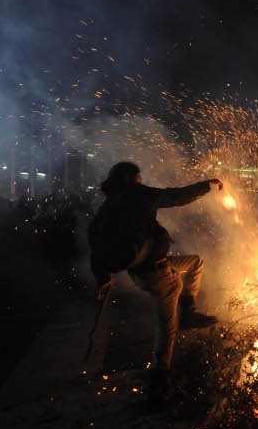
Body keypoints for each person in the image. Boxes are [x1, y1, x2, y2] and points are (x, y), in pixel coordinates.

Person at [88, 161, 223, 403]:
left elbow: (96, 243)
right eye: (139, 177)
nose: (141, 180)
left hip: (143, 270)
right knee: (167, 329)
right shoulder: (137, 194)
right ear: (134, 178)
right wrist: (207, 185)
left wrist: (103, 278)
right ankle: (159, 381)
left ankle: (190, 311)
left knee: (195, 262)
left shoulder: (109, 205)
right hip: (157, 274)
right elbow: (176, 196)